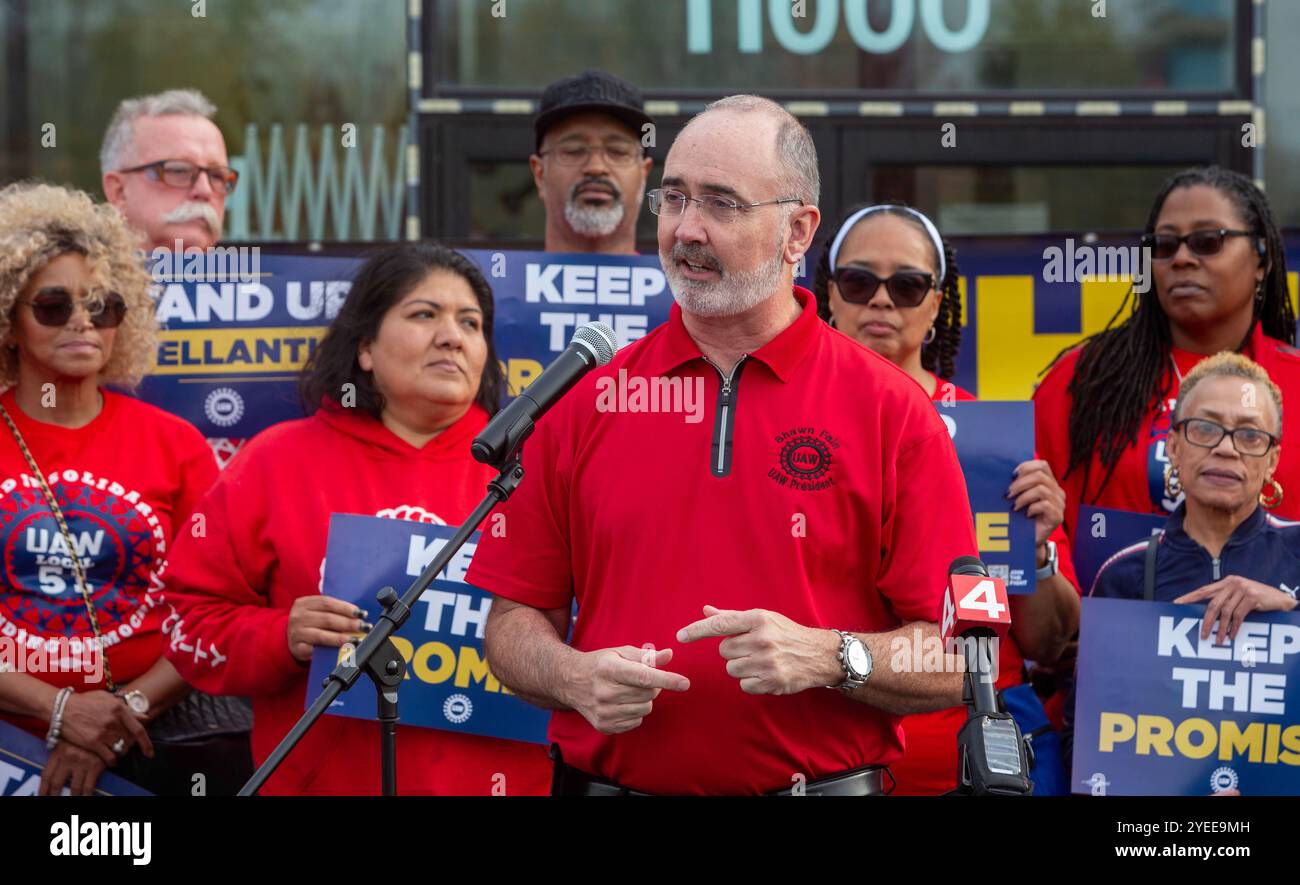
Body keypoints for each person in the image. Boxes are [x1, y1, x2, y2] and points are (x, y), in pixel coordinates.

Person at [467, 95, 979, 796]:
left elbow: (964, 655)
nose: (686, 229)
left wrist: (833, 655)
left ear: (798, 230)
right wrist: (569, 674)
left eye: (721, 203)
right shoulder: (585, 401)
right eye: (673, 198)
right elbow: (513, 621)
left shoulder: (896, 412)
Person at [160, 243, 553, 795]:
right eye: (423, 314)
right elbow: (187, 623)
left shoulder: (537, 468)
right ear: (365, 347)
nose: (452, 336)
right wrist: (282, 635)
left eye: (471, 322)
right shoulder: (277, 461)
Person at [813, 203, 1080, 794]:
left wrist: (1037, 557)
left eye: (907, 285)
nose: (881, 300)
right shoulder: (782, 425)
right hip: (826, 741)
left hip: (979, 746)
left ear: (936, 303)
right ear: (829, 294)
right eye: (859, 281)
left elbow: (1047, 643)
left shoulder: (993, 439)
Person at [0, 182, 219, 795]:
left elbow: (215, 612)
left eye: (102, 306)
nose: (81, 322)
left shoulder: (176, 445)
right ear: (9, 320)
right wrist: (61, 710)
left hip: (152, 743)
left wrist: (124, 715)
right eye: (52, 305)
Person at [1036, 166, 1300, 547]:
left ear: (1262, 260)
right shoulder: (1083, 379)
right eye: (1163, 245)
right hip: (1102, 604)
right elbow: (1038, 532)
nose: (1181, 258)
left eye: (1207, 241)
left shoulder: (1292, 380)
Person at [1093, 352, 1298, 635]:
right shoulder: (1125, 574)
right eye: (1205, 428)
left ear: (1272, 460)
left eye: (1250, 435)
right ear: (1173, 448)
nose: (1226, 449)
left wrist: (1291, 610)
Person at [530, 70, 654, 254]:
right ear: (540, 174)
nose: (596, 167)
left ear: (643, 175)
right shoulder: (493, 282)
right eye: (573, 151)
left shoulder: (676, 283)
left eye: (617, 151)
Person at [100, 88, 233, 253]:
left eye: (217, 176)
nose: (205, 190)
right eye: (179, 171)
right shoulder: (74, 278)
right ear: (119, 192)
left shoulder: (257, 276)